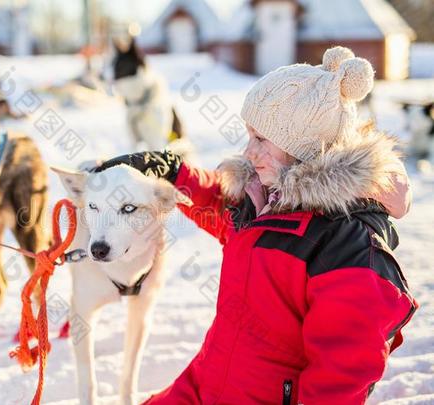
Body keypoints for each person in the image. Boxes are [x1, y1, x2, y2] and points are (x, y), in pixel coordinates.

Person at [95, 46, 417, 404]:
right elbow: (223, 211)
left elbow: (341, 375)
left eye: (261, 139)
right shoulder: (263, 201)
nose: (248, 151)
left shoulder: (345, 244)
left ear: (305, 149)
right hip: (205, 384)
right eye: (249, 136)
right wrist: (173, 169)